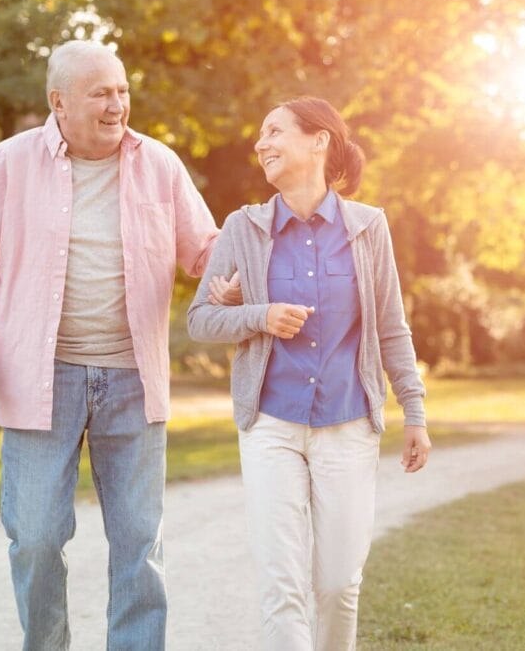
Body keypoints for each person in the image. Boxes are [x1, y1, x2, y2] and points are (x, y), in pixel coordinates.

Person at [0, 40, 222, 651]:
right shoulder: (10, 164)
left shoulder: (159, 164)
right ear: (59, 102)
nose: (117, 104)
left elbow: (205, 250)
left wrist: (248, 255)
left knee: (140, 542)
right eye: (100, 93)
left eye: (122, 90)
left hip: (133, 377)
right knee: (37, 537)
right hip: (41, 377)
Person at [187, 96, 432, 650]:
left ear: (319, 140)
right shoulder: (243, 228)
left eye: (275, 131)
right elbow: (200, 319)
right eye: (261, 134)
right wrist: (260, 316)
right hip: (270, 425)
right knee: (282, 585)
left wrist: (414, 412)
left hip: (347, 423)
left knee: (339, 584)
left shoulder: (367, 227)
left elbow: (391, 327)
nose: (261, 144)